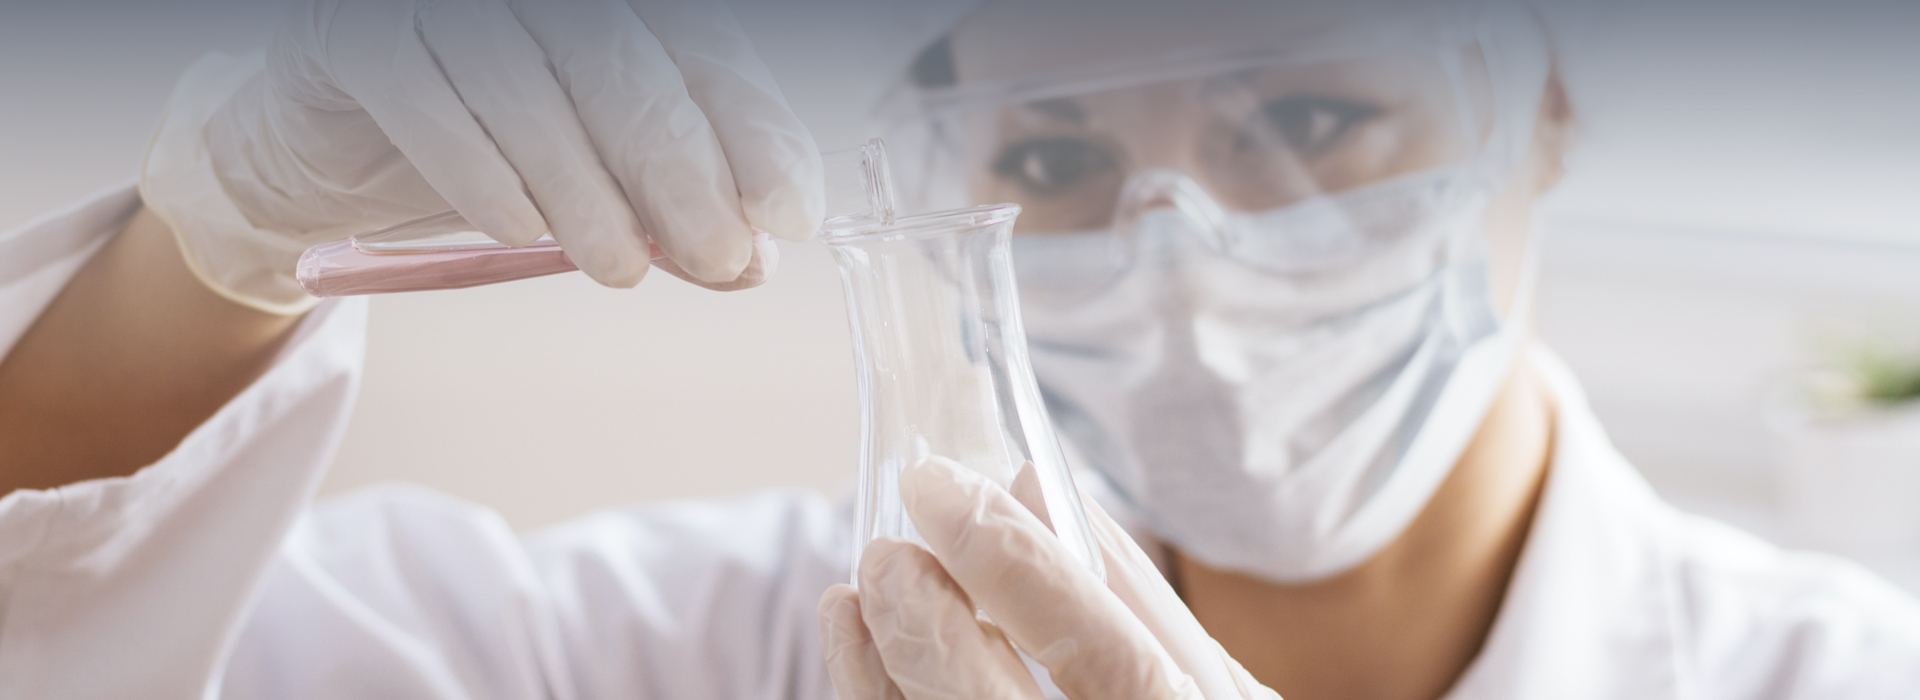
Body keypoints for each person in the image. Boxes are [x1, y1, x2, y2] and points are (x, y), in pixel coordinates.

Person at [0, 1, 1914, 699]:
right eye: (1056, 160)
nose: (1180, 253)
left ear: (1545, 103)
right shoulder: (716, 646)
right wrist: (206, 257)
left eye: (1312, 117)